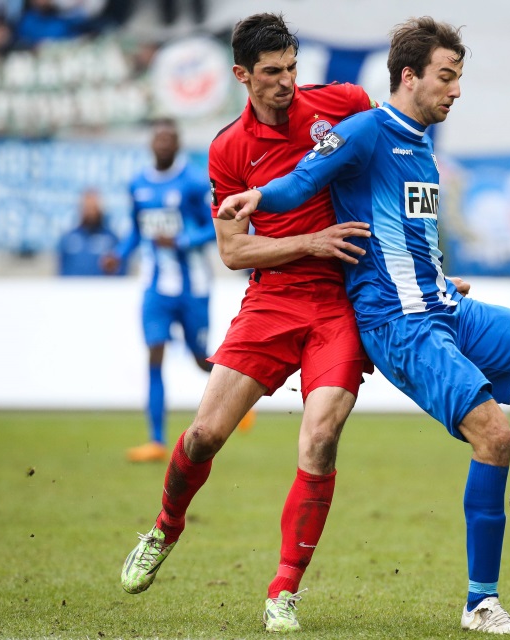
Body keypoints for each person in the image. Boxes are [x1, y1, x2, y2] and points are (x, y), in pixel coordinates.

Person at [218, 16, 510, 635]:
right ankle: (481, 602)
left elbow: (409, 233)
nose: (455, 91)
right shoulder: (367, 129)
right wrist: (258, 200)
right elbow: (302, 181)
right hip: (399, 325)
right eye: (446, 78)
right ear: (409, 76)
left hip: (446, 307)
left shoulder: (422, 143)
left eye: (458, 79)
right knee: (494, 437)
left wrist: (442, 278)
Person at [118, 12, 405, 634]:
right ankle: (165, 528)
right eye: (272, 73)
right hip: (271, 303)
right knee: (202, 437)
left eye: (292, 70)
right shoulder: (228, 149)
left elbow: (396, 167)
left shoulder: (344, 104)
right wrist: (310, 241)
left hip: (340, 304)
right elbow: (233, 251)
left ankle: (284, 590)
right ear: (241, 76)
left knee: (321, 438)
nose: (287, 84)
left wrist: (420, 265)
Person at [102, 118, 225, 462]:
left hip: (193, 286)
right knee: (154, 354)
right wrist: (119, 255)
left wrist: (182, 240)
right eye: (158, 139)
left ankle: (237, 398)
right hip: (155, 286)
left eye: (169, 139)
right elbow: (137, 230)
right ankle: (156, 440)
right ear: (151, 143)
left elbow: (214, 227)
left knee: (201, 358)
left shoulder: (193, 182)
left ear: (178, 144)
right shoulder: (138, 183)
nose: (163, 144)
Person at [57, 189, 123, 277]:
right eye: (87, 207)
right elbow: (61, 271)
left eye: (93, 208)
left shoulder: (111, 240)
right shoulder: (68, 239)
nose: (90, 212)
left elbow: (120, 272)